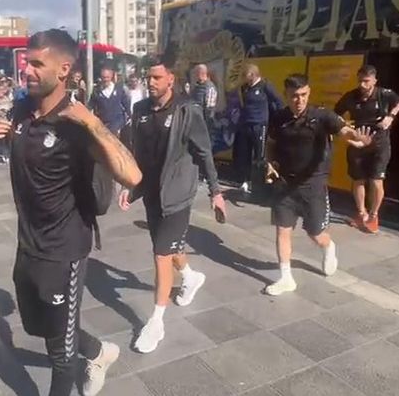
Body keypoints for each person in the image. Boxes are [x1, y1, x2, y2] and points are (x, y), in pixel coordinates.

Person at [0, 29, 142, 396]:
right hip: (28, 244)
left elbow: (133, 174)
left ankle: (85, 360)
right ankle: (97, 351)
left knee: (60, 353)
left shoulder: (76, 122)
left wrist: (92, 123)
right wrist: (9, 134)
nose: (26, 69)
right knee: (38, 326)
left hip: (64, 249)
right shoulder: (24, 109)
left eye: (36, 63)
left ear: (63, 69)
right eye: (27, 62)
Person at [118, 62, 226, 354]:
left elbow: (204, 153)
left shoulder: (187, 110)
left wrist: (216, 192)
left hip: (178, 193)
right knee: (170, 248)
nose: (150, 82)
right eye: (147, 77)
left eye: (156, 77)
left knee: (161, 254)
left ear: (170, 79)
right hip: (153, 193)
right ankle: (191, 277)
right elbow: (138, 155)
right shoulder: (140, 110)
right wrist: (133, 187)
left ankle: (156, 322)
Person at [263, 74, 372, 296]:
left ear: (309, 92)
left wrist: (357, 137)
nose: (299, 100)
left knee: (315, 233)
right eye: (294, 96)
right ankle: (286, 278)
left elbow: (343, 130)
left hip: (313, 185)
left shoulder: (321, 116)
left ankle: (328, 247)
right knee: (282, 230)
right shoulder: (278, 118)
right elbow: (271, 144)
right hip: (285, 185)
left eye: (303, 95)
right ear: (286, 95)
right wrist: (269, 164)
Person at [334, 65, 399, 233]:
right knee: (358, 179)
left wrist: (390, 117)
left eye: (366, 81)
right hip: (358, 143)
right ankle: (361, 213)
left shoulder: (383, 94)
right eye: (360, 81)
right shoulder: (351, 96)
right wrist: (348, 130)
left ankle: (374, 215)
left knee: (376, 180)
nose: (362, 85)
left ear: (374, 81)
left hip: (380, 143)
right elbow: (336, 114)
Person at [234, 63, 283, 193]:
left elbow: (278, 101)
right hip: (246, 125)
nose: (246, 79)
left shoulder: (265, 86)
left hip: (259, 124)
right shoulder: (244, 88)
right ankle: (245, 180)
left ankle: (259, 184)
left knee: (259, 156)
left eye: (247, 77)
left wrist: (276, 120)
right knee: (245, 153)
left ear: (254, 75)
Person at [88, 66, 130, 135]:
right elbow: (90, 106)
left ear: (111, 77)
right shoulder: (96, 90)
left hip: (117, 125)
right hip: (102, 124)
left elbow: (126, 105)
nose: (105, 79)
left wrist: (129, 117)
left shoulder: (119, 89)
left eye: (107, 77)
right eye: (103, 77)